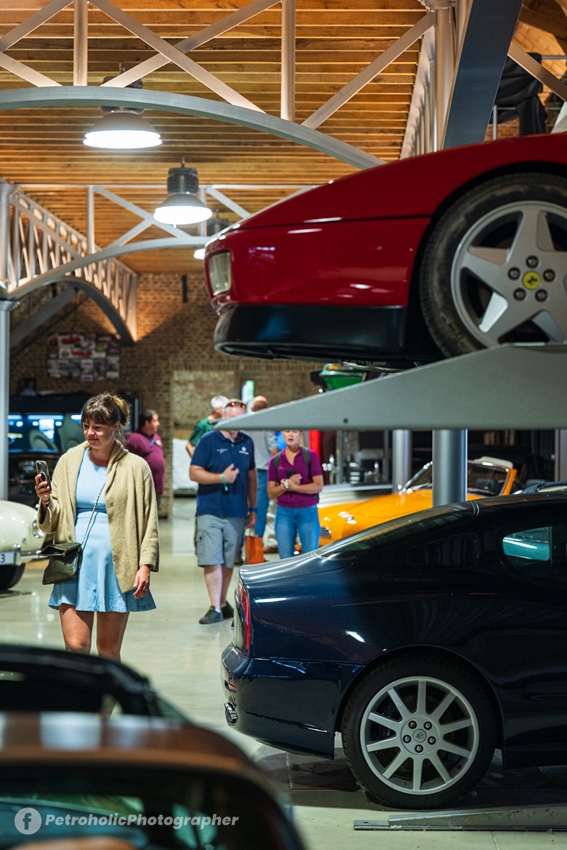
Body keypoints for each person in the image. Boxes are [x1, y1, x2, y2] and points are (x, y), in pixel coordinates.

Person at [34, 392, 159, 660]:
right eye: (86, 426)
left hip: (115, 567)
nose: (90, 433)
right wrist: (45, 501)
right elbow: (54, 516)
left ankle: (105, 691)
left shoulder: (136, 467)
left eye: (98, 427)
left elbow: (149, 521)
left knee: (108, 651)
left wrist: (145, 565)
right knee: (76, 647)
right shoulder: (69, 461)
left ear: (115, 427)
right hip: (73, 565)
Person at [190, 399, 257, 624]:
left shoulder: (247, 442)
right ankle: (215, 607)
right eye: (233, 417)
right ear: (223, 417)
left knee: (228, 560)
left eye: (240, 418)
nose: (236, 422)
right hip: (210, 510)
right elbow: (194, 472)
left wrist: (253, 508)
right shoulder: (208, 440)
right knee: (212, 559)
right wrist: (221, 478)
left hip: (237, 512)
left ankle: (221, 603)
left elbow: (251, 477)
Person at [267, 429, 324, 559]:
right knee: (285, 559)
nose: (291, 434)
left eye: (294, 431)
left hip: (308, 512)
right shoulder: (275, 460)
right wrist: (286, 486)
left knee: (310, 557)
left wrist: (295, 487)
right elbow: (271, 493)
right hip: (284, 513)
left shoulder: (310, 456)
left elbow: (318, 486)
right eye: (287, 431)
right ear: (282, 434)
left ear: (300, 434)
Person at [246, 396, 278, 548]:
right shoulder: (266, 424)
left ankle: (238, 552)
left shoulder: (243, 423)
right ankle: (255, 552)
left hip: (243, 471)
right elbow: (274, 450)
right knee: (259, 512)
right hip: (261, 472)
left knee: (242, 511)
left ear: (252, 408)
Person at [125, 409, 166, 512]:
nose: (158, 424)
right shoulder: (134, 439)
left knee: (154, 516)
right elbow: (127, 463)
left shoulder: (156, 438)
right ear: (147, 423)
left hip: (156, 486)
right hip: (142, 488)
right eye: (155, 421)